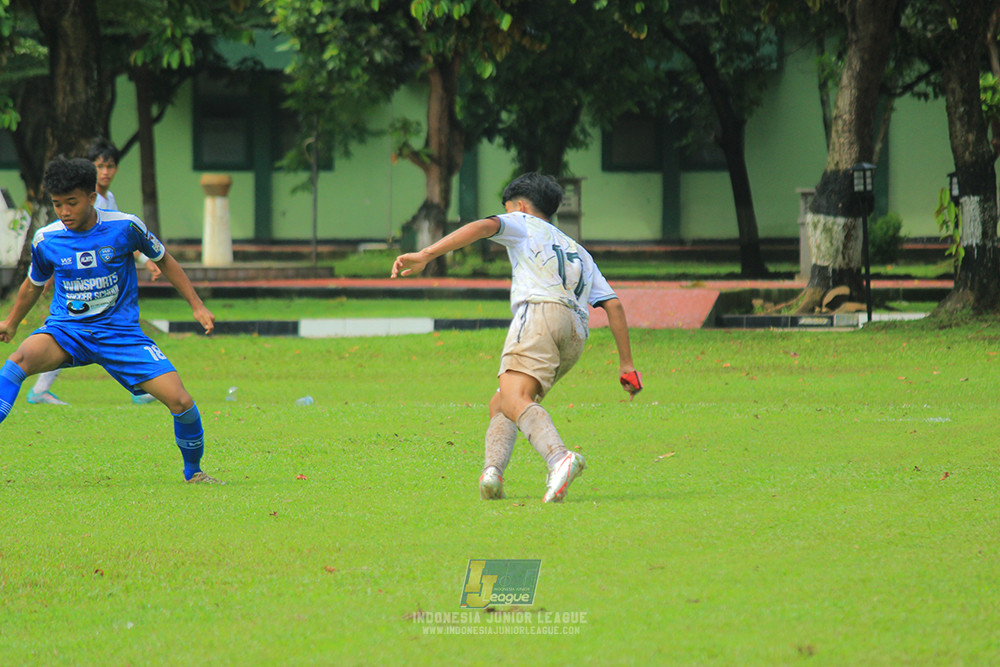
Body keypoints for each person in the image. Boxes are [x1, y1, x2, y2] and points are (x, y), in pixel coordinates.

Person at [391, 172, 642, 502]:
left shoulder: (522, 222)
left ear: (520, 206)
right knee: (502, 402)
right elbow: (613, 305)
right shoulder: (577, 250)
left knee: (515, 399)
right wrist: (627, 365)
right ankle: (492, 474)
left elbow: (481, 227)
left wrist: (426, 255)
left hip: (540, 314)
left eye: (508, 209)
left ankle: (559, 458)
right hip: (576, 332)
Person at [0, 156, 222, 484]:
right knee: (18, 361)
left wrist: (197, 305)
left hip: (121, 336)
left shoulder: (125, 226)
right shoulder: (47, 239)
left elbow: (166, 260)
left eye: (72, 203)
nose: (64, 212)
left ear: (92, 197)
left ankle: (194, 472)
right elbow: (33, 284)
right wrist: (11, 323)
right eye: (57, 204)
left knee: (181, 401)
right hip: (67, 332)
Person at [26, 137, 161, 405]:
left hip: (102, 281)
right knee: (68, 332)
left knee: (91, 332)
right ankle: (39, 388)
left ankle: (139, 385)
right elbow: (68, 241)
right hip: (77, 278)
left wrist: (147, 259)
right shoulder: (80, 199)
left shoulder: (107, 198)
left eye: (111, 166)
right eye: (100, 166)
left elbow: (119, 239)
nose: (106, 172)